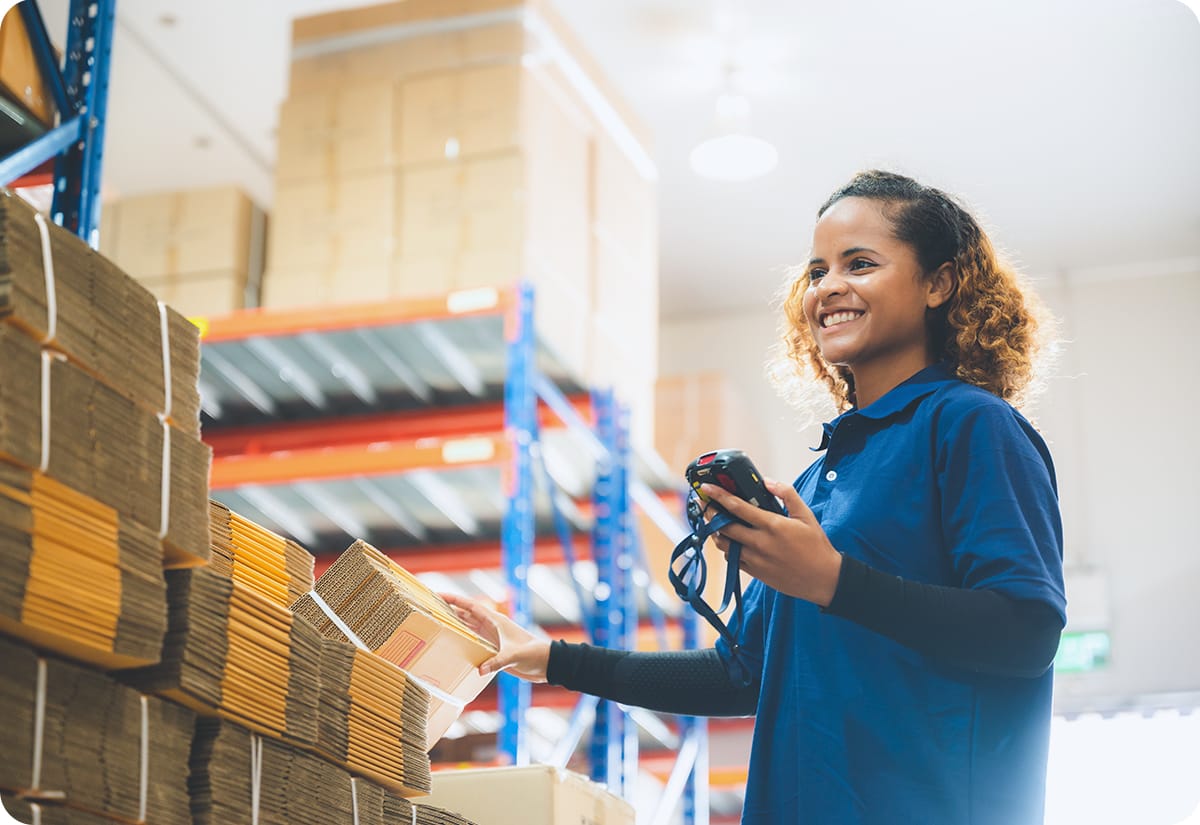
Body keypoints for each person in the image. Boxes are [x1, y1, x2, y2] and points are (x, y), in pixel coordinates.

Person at [444, 169, 1067, 825]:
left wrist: (831, 580)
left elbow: (1025, 631)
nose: (828, 287)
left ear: (938, 283)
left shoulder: (971, 425)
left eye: (859, 264)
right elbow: (740, 672)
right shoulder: (820, 480)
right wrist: (550, 658)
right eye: (818, 271)